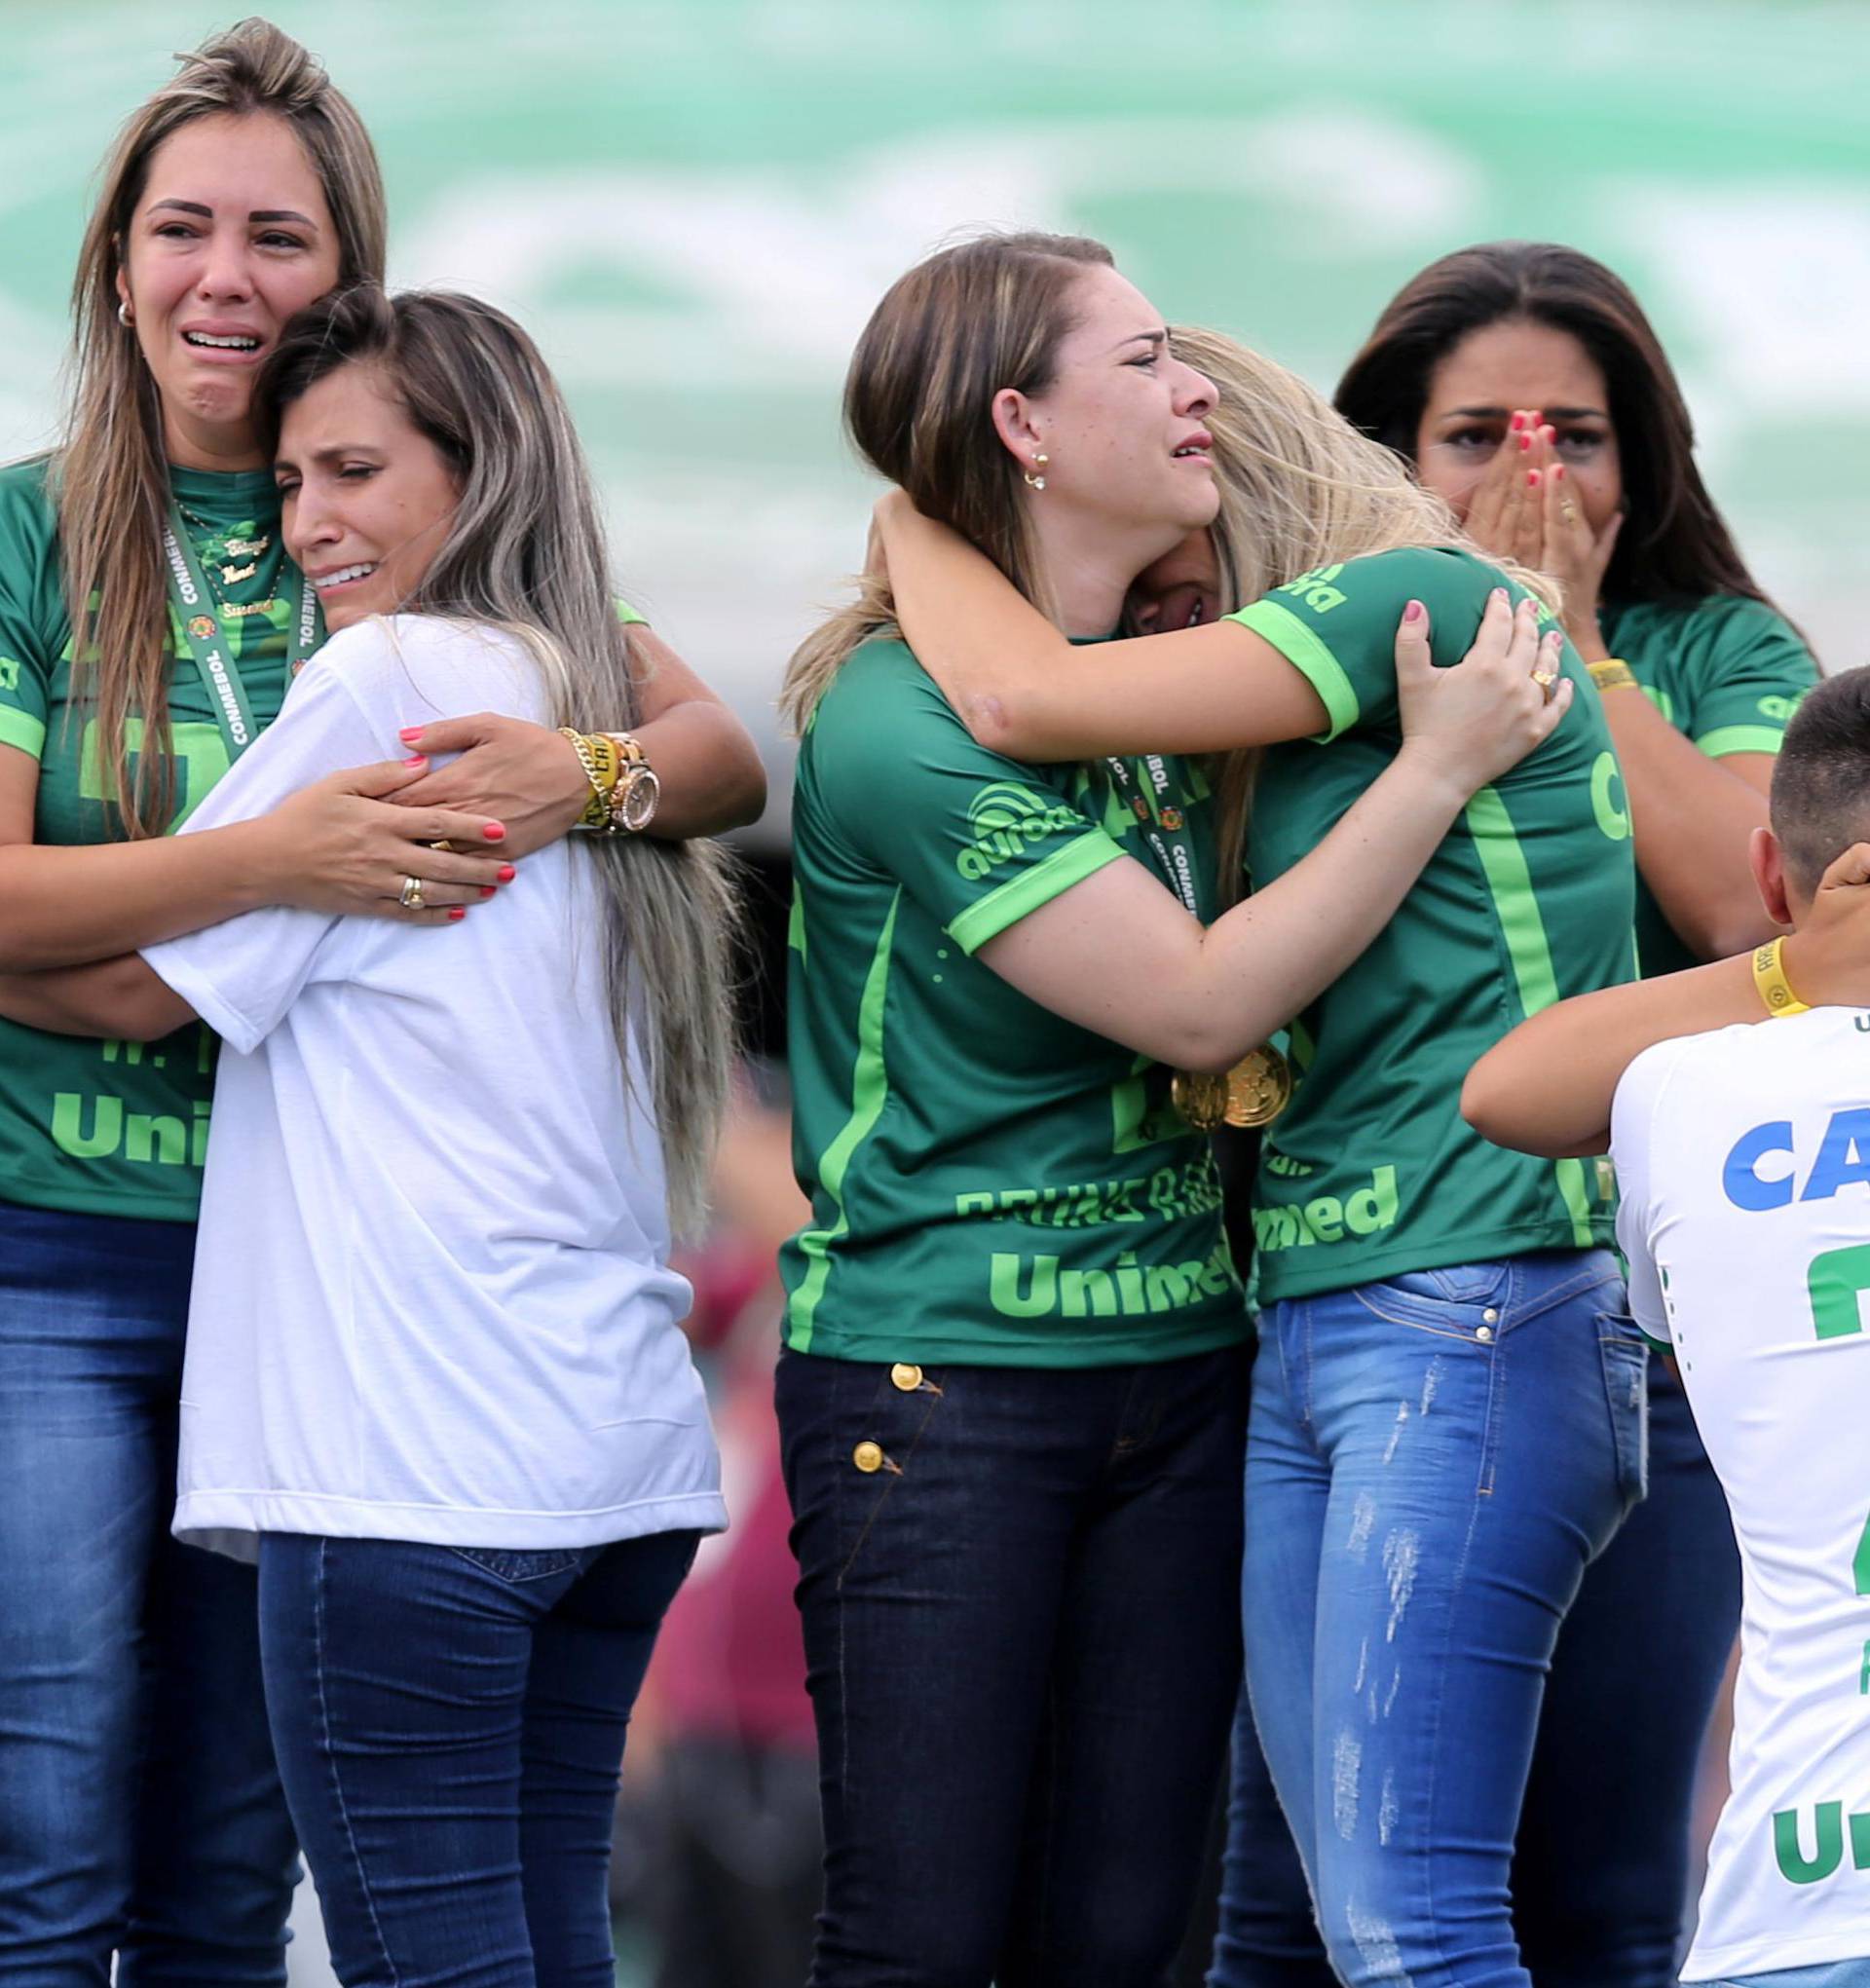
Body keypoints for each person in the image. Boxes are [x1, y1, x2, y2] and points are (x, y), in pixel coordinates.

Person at [0, 22, 761, 1984]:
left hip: (343, 1336)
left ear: (351, 283)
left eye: (277, 233)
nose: (224, 276)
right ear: (114, 263)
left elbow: (712, 753)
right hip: (61, 1262)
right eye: (182, 228)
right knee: (50, 1850)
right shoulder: (32, 533)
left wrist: (578, 778)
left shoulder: (405, 564)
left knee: (234, 1883)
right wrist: (275, 860)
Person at [785, 230, 1578, 1988]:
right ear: (1022, 424)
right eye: (1140, 359)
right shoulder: (896, 714)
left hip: (1184, 1369)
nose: (1196, 380)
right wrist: (1438, 769)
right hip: (945, 1382)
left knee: (1132, 1946)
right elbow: (1205, 998)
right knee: (919, 1942)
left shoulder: (1168, 684)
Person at [1211, 240, 1821, 1988]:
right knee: (1284, 1905)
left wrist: (1562, 644)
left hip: (1650, 1341)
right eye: (1476, 434)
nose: (1533, 477)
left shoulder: (1718, 645)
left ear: (1650, 468)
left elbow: (1751, 912)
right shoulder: (1335, 649)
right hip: (1355, 1296)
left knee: (1603, 1902)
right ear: (1386, 455)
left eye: (1581, 435)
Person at [1476, 666, 1870, 1988]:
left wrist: (1786, 971)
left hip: (1797, 1910)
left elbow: (1508, 1086)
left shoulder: (1689, 1100)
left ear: (1773, 871)